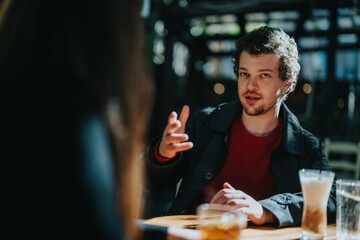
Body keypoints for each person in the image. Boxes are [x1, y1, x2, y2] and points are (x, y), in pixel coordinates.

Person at [0, 0, 198, 239]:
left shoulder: (28, 88)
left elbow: (62, 217)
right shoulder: (67, 106)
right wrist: (162, 154)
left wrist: (163, 234)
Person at [146, 26, 336, 227]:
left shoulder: (305, 146)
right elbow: (151, 182)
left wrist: (267, 210)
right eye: (244, 74)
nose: (251, 86)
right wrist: (162, 155)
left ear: (286, 84)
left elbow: (332, 199)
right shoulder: (205, 124)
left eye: (264, 75)